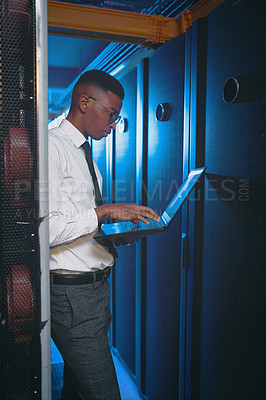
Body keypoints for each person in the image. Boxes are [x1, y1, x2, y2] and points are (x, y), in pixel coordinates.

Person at [49, 69, 159, 400]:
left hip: (94, 294)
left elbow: (78, 223)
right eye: (111, 114)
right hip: (73, 299)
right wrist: (104, 212)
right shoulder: (52, 148)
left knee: (77, 391)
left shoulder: (86, 157)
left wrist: (115, 237)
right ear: (84, 102)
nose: (113, 124)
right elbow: (47, 229)